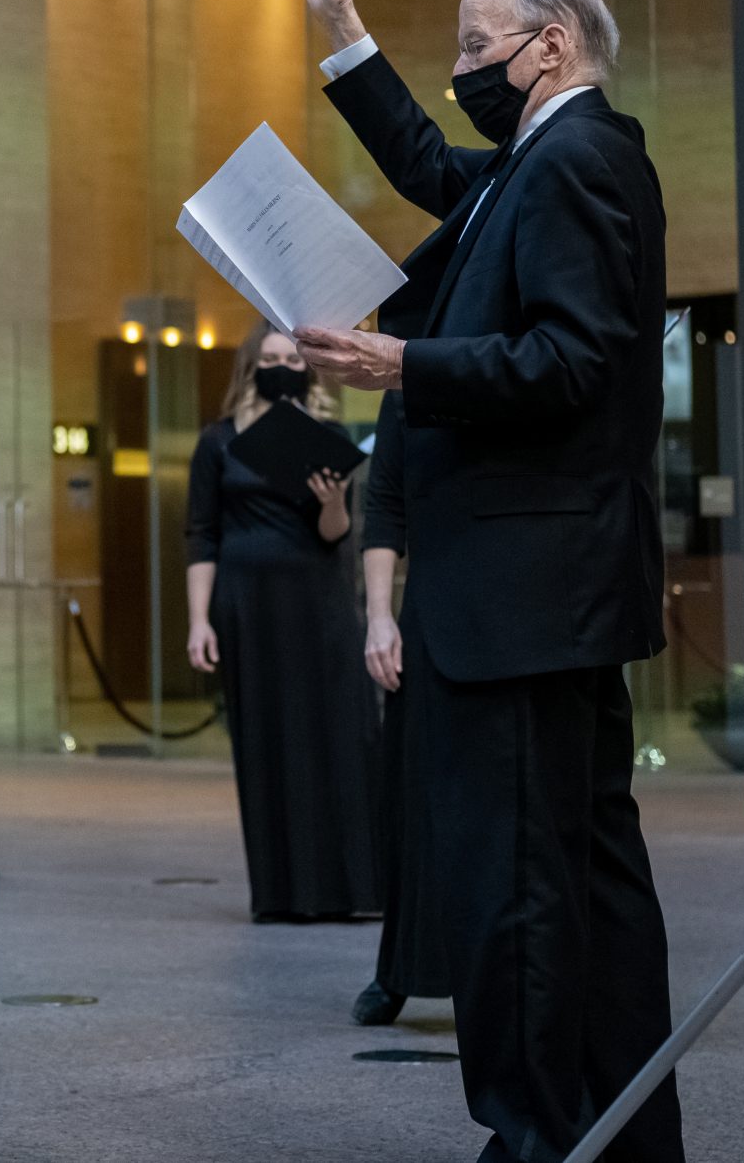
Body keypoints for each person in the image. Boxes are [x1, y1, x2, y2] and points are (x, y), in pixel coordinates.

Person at [274, 0, 684, 1163]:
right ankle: (621, 1140)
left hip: (524, 597)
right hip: (536, 596)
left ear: (550, 45)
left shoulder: (578, 160)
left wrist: (402, 364)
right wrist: (339, 24)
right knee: (583, 882)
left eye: (473, 44)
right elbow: (423, 164)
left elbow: (571, 359)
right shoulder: (533, 163)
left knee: (518, 893)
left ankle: (536, 1138)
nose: (459, 70)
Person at [183, 324, 382, 922]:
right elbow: (201, 535)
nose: (281, 368)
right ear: (251, 368)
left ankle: (349, 890)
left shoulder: (328, 436)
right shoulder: (218, 441)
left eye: (292, 360)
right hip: (247, 604)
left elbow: (335, 535)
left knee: (337, 735)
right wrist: (198, 621)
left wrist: (331, 502)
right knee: (265, 739)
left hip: (318, 601)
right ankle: (280, 895)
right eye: (269, 359)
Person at [349, 391, 454, 1023]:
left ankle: (502, 971)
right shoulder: (405, 386)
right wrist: (380, 617)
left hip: (514, 604)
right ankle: (399, 969)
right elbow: (384, 505)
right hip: (430, 612)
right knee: (415, 796)